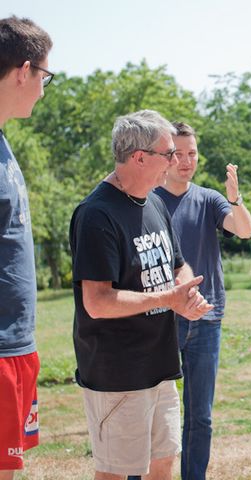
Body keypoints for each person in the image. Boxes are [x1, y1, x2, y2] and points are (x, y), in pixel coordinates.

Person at [70, 110, 213, 480]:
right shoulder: (96, 214)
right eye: (168, 154)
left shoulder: (154, 202)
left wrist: (188, 293)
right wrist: (168, 299)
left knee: (163, 463)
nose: (176, 162)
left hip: (159, 366)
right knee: (117, 472)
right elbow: (97, 302)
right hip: (117, 372)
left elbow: (177, 264)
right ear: (139, 157)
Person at [153, 122, 251, 480]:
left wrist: (235, 198)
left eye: (192, 153)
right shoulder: (148, 200)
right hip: (159, 319)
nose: (186, 161)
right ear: (164, 156)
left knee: (200, 415)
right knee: (150, 409)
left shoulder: (210, 198)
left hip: (206, 320)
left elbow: (243, 229)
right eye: (177, 154)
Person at [0, 16, 53, 479]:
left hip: (15, 347)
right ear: (24, 70)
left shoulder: (3, 143)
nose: (43, 87)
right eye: (45, 76)